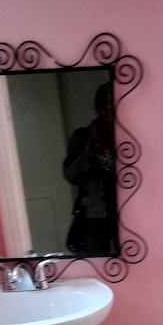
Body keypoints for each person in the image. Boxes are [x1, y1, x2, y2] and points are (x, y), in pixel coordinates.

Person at [63, 82, 118, 254]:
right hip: (93, 212)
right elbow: (71, 175)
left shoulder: (128, 133)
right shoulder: (83, 136)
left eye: (111, 104)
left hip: (128, 210)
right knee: (94, 262)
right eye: (103, 104)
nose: (107, 110)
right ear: (96, 106)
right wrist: (87, 154)